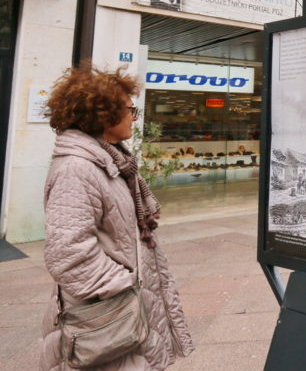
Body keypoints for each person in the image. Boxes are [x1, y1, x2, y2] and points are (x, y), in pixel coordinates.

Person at [40, 63, 193, 369]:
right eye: (129, 109)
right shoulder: (78, 169)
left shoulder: (114, 161)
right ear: (103, 114)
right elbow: (68, 252)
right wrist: (123, 287)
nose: (135, 118)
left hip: (122, 309)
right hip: (107, 314)